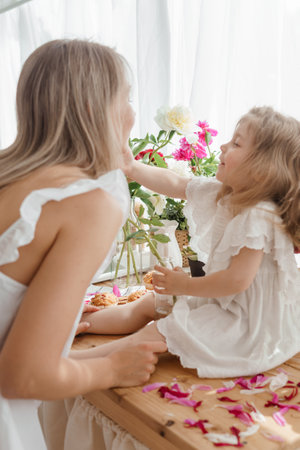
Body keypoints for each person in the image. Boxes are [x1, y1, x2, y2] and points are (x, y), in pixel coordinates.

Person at [0, 39, 167, 450]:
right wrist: (111, 370)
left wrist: (119, 349)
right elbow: (23, 377)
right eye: (127, 99)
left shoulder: (9, 175)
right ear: (97, 110)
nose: (132, 114)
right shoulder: (86, 204)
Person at [82, 106, 300, 379]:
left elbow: (236, 281)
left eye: (236, 143)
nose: (222, 146)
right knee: (149, 303)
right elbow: (174, 182)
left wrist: (185, 285)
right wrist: (130, 166)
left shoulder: (259, 215)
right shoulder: (226, 194)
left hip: (248, 322)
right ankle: (76, 325)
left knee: (156, 332)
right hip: (226, 301)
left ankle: (71, 362)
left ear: (262, 170)